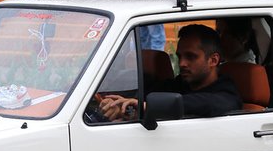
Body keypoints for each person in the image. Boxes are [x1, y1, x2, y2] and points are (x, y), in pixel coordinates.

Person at [99, 24, 242, 121]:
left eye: (191, 56)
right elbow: (144, 94)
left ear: (213, 60)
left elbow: (203, 103)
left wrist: (148, 106)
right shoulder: (177, 85)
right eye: (179, 56)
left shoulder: (227, 94)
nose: (181, 63)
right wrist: (120, 106)